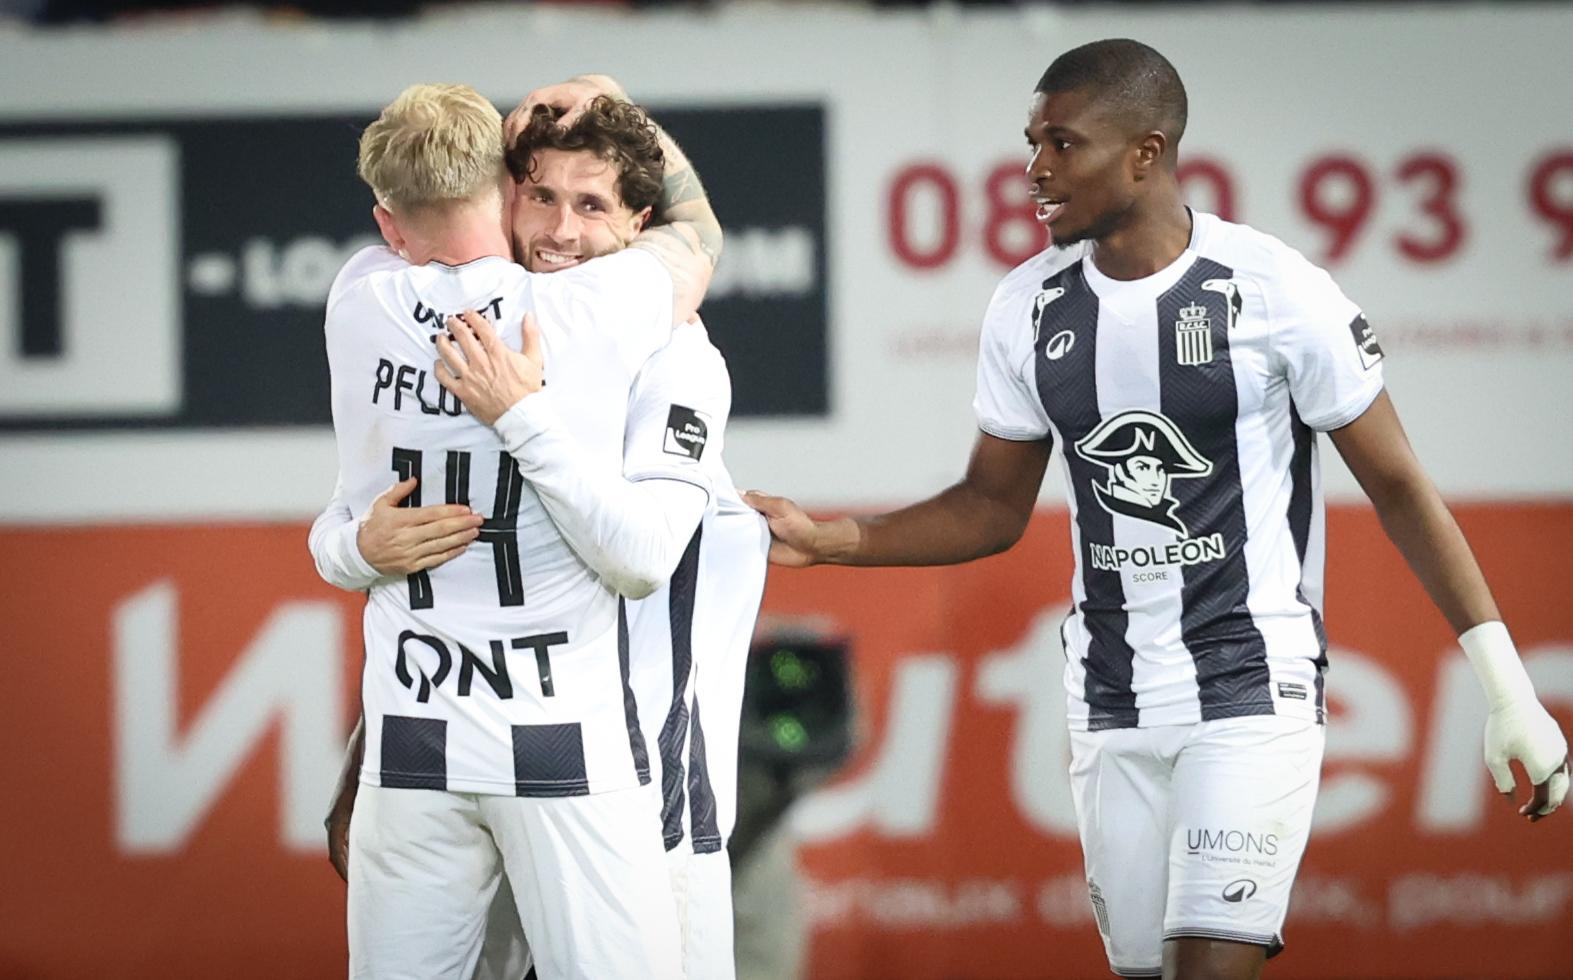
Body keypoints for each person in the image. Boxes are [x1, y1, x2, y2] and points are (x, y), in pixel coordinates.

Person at [744, 38, 1570, 980]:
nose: (1033, 170)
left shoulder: (1273, 291)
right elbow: (988, 507)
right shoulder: (1026, 307)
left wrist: (1506, 691)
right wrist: (829, 540)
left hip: (1250, 689)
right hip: (1109, 700)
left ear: (1146, 151)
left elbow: (1399, 487)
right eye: (1031, 143)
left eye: (1062, 144)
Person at [312, 79, 767, 980]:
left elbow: (345, 523)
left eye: (591, 205)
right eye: (542, 197)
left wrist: (350, 549)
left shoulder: (362, 297)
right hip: (562, 746)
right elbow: (698, 234)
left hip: (450, 745)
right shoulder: (602, 313)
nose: (560, 231)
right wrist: (616, 101)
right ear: (502, 193)